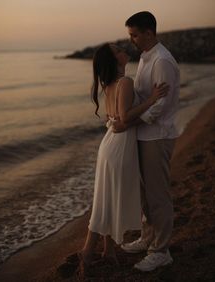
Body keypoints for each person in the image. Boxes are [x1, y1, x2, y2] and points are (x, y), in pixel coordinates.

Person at [79, 43, 169, 271]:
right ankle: (87, 253)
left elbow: (118, 120)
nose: (123, 49)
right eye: (117, 49)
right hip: (118, 148)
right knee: (107, 203)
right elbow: (125, 118)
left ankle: (108, 251)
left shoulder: (110, 84)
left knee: (106, 199)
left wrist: (123, 119)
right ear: (115, 60)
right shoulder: (125, 82)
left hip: (110, 145)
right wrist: (152, 99)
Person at [116, 11, 180, 271]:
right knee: (144, 193)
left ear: (149, 33)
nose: (131, 40)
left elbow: (158, 108)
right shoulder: (145, 57)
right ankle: (148, 236)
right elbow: (144, 98)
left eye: (134, 35)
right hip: (142, 136)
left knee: (158, 196)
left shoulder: (162, 61)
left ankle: (161, 250)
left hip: (157, 136)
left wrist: (129, 122)